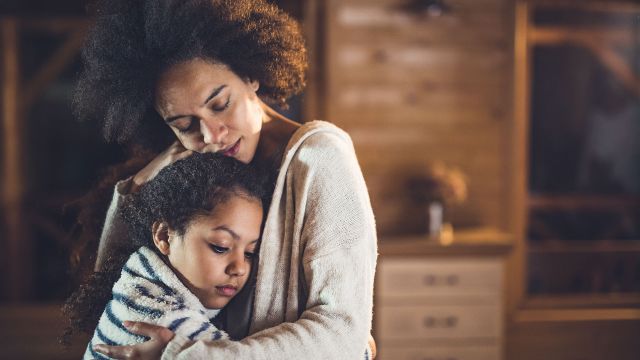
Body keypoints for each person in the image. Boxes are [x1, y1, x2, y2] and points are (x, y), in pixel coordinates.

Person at [74, 0, 378, 358]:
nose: (212, 135)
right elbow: (113, 298)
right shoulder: (196, 171)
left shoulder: (320, 159)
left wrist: (190, 355)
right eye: (185, 124)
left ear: (251, 76)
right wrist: (137, 189)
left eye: (220, 105)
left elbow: (343, 330)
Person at [63, 153, 267, 359]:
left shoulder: (140, 282)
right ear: (164, 237)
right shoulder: (165, 319)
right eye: (220, 247)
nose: (239, 268)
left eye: (250, 253)